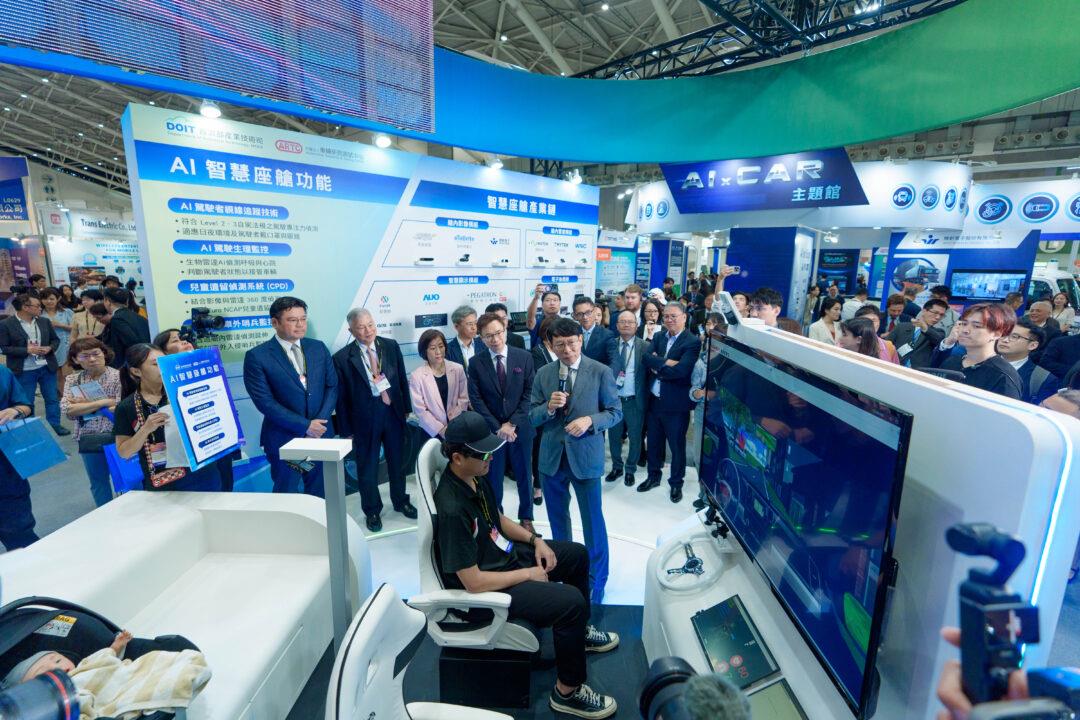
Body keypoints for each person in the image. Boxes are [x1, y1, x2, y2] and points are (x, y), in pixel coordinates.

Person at [434, 412, 620, 719]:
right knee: (571, 602)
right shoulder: (453, 509)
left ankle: (579, 634)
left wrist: (535, 541)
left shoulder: (474, 476)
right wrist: (529, 574)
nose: (491, 458)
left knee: (576, 555)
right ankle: (567, 692)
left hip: (504, 560)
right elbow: (473, 583)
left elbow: (498, 520)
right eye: (484, 454)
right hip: (488, 588)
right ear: (457, 457)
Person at [530, 318, 621, 604]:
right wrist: (548, 408)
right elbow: (532, 416)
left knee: (593, 522)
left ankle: (597, 580)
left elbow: (615, 412)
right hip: (552, 460)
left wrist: (589, 421)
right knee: (558, 523)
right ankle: (567, 574)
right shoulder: (543, 374)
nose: (567, 350)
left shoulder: (601, 371)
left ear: (581, 340)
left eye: (571, 343)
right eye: (560, 345)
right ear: (550, 345)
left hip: (585, 458)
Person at [243, 296, 337, 497]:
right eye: (293, 320)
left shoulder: (318, 348)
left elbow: (332, 386)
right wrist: (305, 426)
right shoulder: (258, 356)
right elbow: (265, 402)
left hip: (320, 434)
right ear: (274, 322)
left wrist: (318, 424)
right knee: (288, 491)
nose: (300, 325)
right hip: (286, 438)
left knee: (320, 489)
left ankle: (319, 519)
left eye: (303, 319)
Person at [334, 308, 415, 532]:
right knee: (367, 467)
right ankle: (372, 510)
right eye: (361, 327)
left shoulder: (390, 346)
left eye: (370, 324)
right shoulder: (342, 358)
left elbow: (401, 378)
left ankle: (401, 501)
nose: (368, 330)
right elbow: (341, 398)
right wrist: (345, 429)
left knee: (397, 462)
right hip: (364, 419)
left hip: (393, 413)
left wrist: (406, 408)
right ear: (351, 330)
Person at [114, 344, 222, 492]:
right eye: (155, 364)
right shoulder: (126, 407)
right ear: (136, 371)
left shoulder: (185, 392)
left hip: (202, 472)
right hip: (163, 480)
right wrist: (145, 429)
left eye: (165, 361)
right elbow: (124, 452)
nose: (163, 366)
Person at [468, 312, 536, 531]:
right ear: (481, 338)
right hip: (492, 432)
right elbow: (476, 399)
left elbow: (530, 393)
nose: (495, 339)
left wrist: (512, 423)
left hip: (520, 429)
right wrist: (499, 427)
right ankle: (496, 519)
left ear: (505, 330)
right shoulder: (476, 363)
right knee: (493, 477)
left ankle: (527, 518)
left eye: (498, 333)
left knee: (524, 475)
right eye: (489, 336)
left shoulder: (524, 357)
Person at [640, 302, 700, 502]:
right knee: (653, 443)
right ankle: (653, 476)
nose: (669, 320)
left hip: (676, 405)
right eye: (666, 316)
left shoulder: (692, 341)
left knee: (676, 446)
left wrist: (658, 365)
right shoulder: (658, 336)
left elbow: (682, 371)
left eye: (673, 316)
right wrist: (667, 363)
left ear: (684, 317)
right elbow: (646, 358)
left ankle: (676, 483)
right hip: (654, 401)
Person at [61, 337, 121, 507]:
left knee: (127, 477)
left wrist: (84, 404)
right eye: (85, 356)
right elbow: (67, 410)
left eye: (96, 353)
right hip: (88, 437)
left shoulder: (119, 376)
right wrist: (104, 402)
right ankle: (105, 513)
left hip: (118, 435)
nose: (92, 359)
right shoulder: (73, 380)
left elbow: (120, 407)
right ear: (75, 360)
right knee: (98, 482)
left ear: (104, 353)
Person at [0, 293, 68, 435]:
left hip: (46, 367)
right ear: (25, 307)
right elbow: (4, 348)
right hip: (24, 370)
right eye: (37, 306)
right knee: (26, 402)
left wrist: (50, 348)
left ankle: (55, 425)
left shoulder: (44, 321)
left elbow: (55, 340)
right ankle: (30, 429)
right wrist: (27, 350)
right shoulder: (6, 324)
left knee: (52, 398)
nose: (40, 308)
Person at [933, 303, 1022, 399]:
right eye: (964, 324)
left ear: (996, 334)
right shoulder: (951, 362)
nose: (965, 330)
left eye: (976, 326)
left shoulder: (1003, 376)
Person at [605, 310, 647, 486]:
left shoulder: (645, 346)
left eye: (630, 322)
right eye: (622, 321)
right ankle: (617, 467)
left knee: (635, 437)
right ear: (617, 325)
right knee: (614, 436)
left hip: (634, 400)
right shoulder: (610, 345)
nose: (626, 324)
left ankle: (630, 469)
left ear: (636, 326)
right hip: (614, 401)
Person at [409, 329, 469, 439]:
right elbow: (420, 410)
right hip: (431, 431)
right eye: (433, 348)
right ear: (424, 351)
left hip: (456, 426)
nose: (438, 352)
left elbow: (464, 399)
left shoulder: (458, 369)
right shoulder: (416, 376)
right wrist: (440, 429)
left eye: (441, 346)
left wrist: (452, 423)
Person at [0, 363, 36, 550]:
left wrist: (15, 411)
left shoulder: (2, 372)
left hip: (6, 467)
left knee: (20, 534)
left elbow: (25, 405)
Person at [997, 319, 1059, 405]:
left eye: (1014, 337)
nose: (1005, 340)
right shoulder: (980, 363)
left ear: (1032, 345)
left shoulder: (1042, 379)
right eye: (1004, 334)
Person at [885, 298, 948, 369]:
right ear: (924, 311)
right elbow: (886, 345)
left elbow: (938, 341)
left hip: (918, 371)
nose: (938, 317)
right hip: (894, 366)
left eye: (941, 315)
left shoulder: (939, 332)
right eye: (935, 313)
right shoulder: (901, 327)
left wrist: (925, 328)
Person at [101, 288, 150, 368]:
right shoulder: (138, 316)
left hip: (129, 364)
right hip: (144, 358)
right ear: (127, 301)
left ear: (108, 301)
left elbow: (130, 341)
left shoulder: (117, 319)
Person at [41, 288, 74, 377]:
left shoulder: (67, 312)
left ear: (58, 299)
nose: (48, 301)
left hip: (66, 347)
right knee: (56, 376)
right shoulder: (39, 315)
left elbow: (75, 329)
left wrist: (59, 325)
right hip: (50, 348)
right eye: (45, 299)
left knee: (68, 376)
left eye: (51, 299)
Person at [572, 296, 612, 364]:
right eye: (580, 314)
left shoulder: (606, 335)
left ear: (594, 312)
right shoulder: (572, 333)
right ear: (575, 316)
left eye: (588, 312)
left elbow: (614, 360)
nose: (585, 317)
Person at [446, 304, 485, 372]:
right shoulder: (448, 350)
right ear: (456, 326)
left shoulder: (484, 344)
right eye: (470, 324)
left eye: (475, 323)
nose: (474, 327)